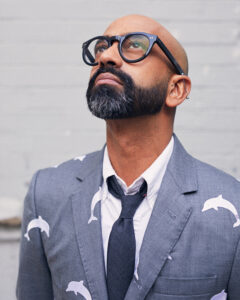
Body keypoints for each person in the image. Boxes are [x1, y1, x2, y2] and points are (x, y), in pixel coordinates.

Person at [16, 14, 240, 300]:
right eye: (102, 46)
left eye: (135, 45)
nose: (106, 56)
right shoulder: (46, 194)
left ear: (176, 89)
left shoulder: (233, 205)